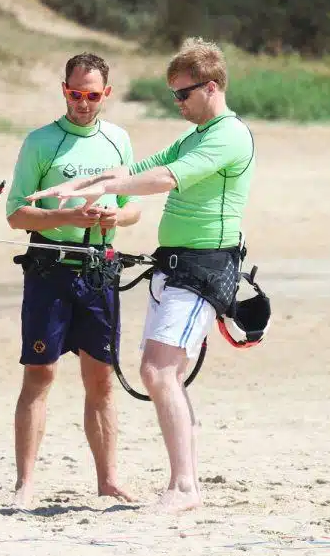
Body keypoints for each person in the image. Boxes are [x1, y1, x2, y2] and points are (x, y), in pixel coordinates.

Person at [28, 38, 256, 513]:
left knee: (157, 371)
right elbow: (140, 166)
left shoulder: (227, 134)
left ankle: (185, 487)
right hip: (174, 264)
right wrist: (73, 185)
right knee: (163, 372)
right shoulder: (196, 133)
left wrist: (111, 188)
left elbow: (163, 180)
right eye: (173, 94)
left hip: (205, 266)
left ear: (211, 87)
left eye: (183, 94)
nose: (178, 103)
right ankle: (186, 481)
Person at [6, 53, 141, 508]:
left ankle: (107, 479)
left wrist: (114, 214)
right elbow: (16, 214)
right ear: (63, 89)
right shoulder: (41, 142)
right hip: (49, 269)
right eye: (74, 93)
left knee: (101, 380)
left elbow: (135, 207)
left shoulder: (119, 140)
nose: (82, 103)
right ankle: (25, 483)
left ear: (107, 94)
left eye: (92, 95)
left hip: (99, 269)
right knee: (39, 374)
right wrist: (68, 213)